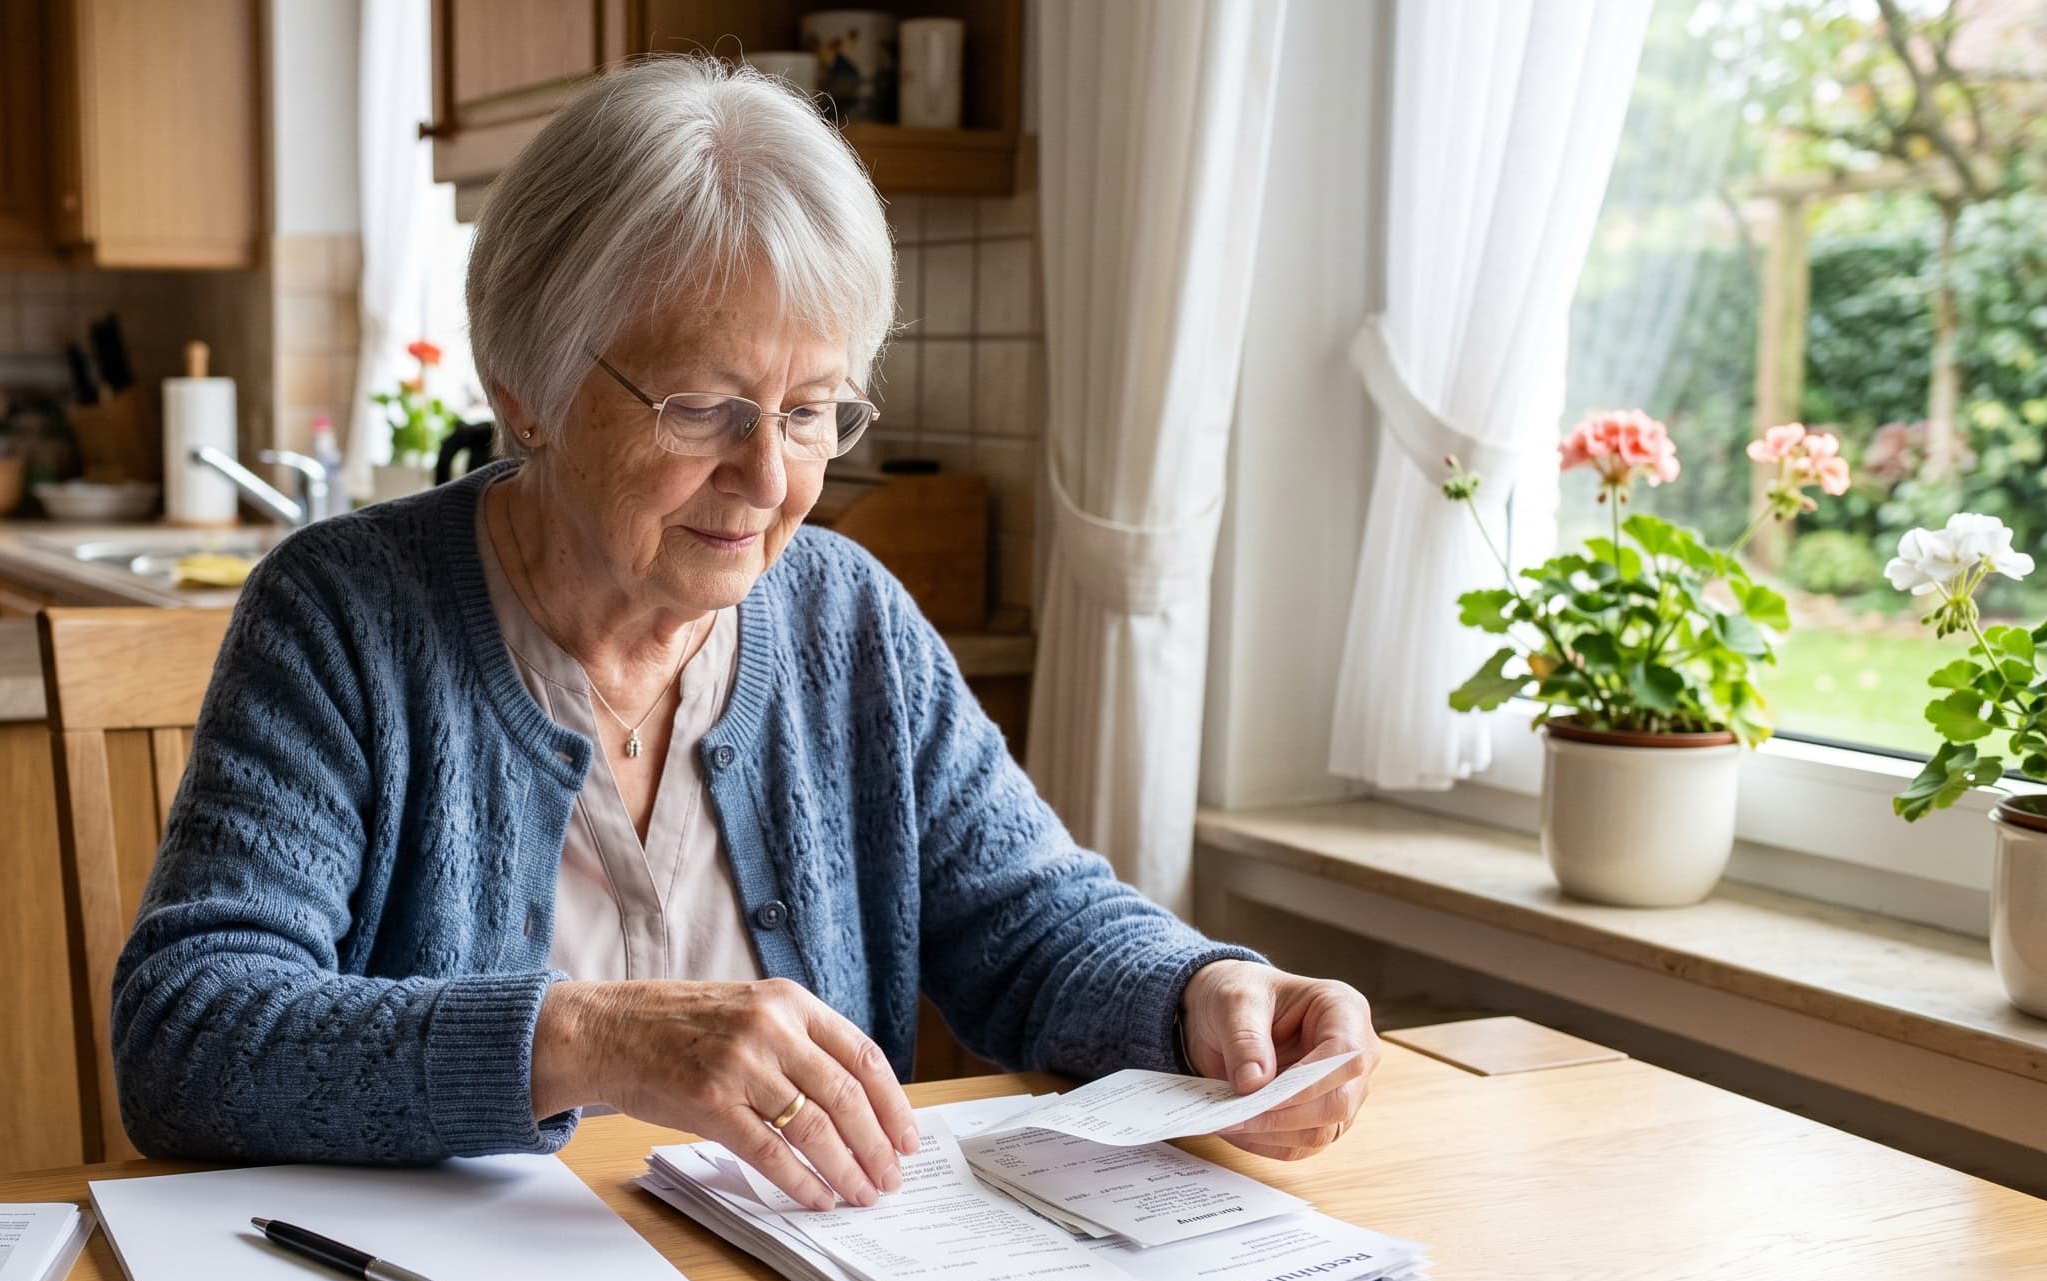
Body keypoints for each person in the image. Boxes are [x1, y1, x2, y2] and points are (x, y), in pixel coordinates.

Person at [113, 56, 1378, 1211]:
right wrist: (593, 1039)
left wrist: (1203, 992)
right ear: (527, 392)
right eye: (704, 408)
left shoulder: (846, 619)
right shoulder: (345, 615)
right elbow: (191, 1035)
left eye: (814, 411)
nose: (767, 477)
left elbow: (1034, 926)